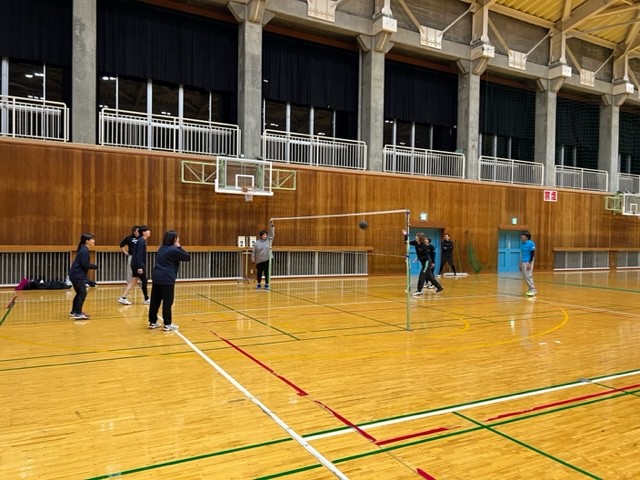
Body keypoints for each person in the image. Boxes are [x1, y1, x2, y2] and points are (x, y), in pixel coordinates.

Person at [148, 230, 191, 331]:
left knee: (155, 300)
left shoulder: (161, 248)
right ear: (174, 239)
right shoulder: (173, 250)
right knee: (168, 301)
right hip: (167, 278)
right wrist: (179, 247)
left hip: (157, 277)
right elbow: (187, 257)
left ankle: (152, 322)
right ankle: (167, 324)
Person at [402, 229, 443, 295]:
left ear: (420, 238)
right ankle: (439, 287)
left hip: (427, 262)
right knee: (429, 277)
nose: (415, 237)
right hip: (423, 262)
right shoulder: (415, 242)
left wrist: (418, 258)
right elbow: (407, 242)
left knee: (422, 276)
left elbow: (426, 256)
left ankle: (419, 291)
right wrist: (405, 235)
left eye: (417, 236)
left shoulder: (423, 246)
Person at [68, 233, 98, 320]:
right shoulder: (84, 250)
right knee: (82, 293)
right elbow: (84, 264)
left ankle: (74, 311)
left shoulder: (83, 249)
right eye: (92, 239)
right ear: (87, 241)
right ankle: (78, 313)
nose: (94, 241)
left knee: (79, 293)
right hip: (77, 275)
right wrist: (95, 266)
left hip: (75, 275)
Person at [119, 225, 151, 305]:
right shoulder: (141, 241)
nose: (149, 232)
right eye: (148, 230)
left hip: (135, 263)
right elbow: (139, 254)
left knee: (133, 281)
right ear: (144, 232)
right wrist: (140, 267)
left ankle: (123, 297)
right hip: (138, 264)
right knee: (144, 281)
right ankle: (146, 299)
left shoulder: (141, 240)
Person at [252, 221, 274, 290]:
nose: (266, 236)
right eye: (264, 235)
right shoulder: (256, 243)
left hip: (267, 259)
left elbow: (272, 233)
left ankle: (267, 284)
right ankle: (259, 283)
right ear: (261, 236)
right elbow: (253, 252)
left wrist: (272, 226)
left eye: (266, 235)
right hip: (259, 260)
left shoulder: (268, 240)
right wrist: (253, 258)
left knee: (267, 273)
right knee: (259, 273)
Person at [519, 230, 537, 297]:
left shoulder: (531, 243)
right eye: (521, 237)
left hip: (529, 261)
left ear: (527, 237)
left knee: (528, 276)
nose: (521, 238)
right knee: (525, 276)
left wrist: (530, 263)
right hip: (523, 261)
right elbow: (522, 253)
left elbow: (532, 254)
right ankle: (531, 289)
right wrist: (520, 263)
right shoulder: (521, 244)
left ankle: (532, 289)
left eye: (523, 237)